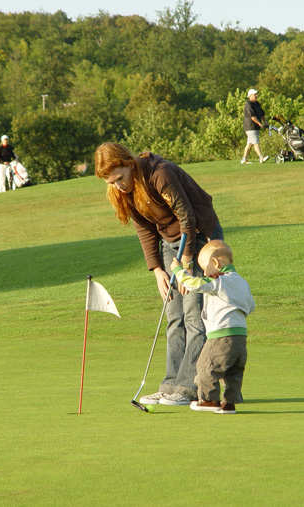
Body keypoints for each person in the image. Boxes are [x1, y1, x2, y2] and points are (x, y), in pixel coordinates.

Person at [95, 142, 224, 406]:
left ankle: (188, 388)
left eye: (120, 177)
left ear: (128, 164)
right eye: (112, 182)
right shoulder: (124, 192)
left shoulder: (159, 173)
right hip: (169, 244)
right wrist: (157, 270)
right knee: (173, 316)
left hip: (198, 239)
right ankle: (169, 386)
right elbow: (144, 229)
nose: (118, 185)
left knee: (193, 316)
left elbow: (187, 217)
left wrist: (186, 261)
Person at [171, 239, 254, 414]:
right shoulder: (242, 282)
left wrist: (178, 271)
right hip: (240, 336)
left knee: (205, 366)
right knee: (233, 371)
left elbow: (193, 285)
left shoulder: (219, 282)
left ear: (216, 263)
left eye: (204, 268)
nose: (204, 272)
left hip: (220, 335)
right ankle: (229, 403)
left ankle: (209, 400)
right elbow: (250, 306)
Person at [241, 88, 270, 165]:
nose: (256, 96)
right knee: (255, 142)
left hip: (255, 127)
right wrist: (260, 124)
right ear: (250, 96)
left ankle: (244, 159)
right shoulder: (248, 104)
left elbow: (262, 114)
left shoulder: (257, 104)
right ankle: (261, 158)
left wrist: (265, 122)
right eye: (255, 94)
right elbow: (253, 117)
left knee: (250, 144)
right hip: (250, 126)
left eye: (256, 94)